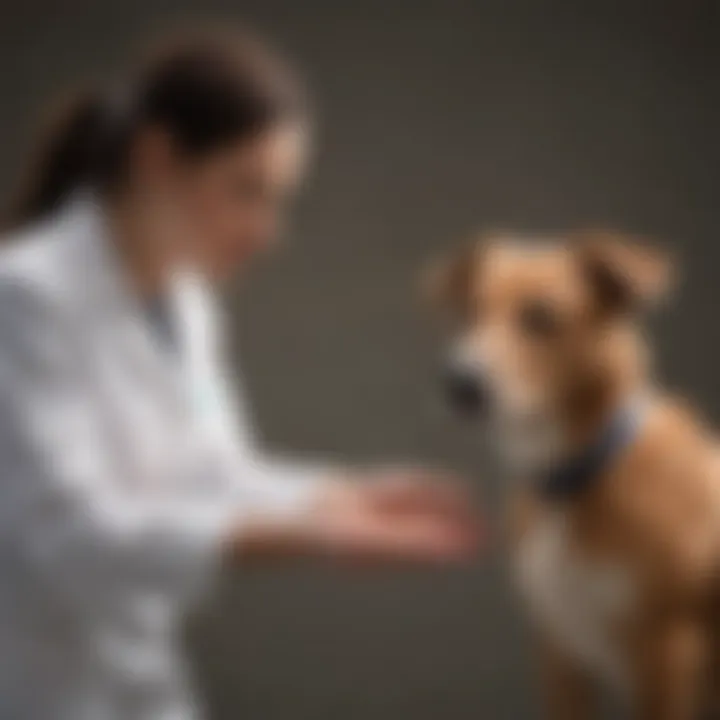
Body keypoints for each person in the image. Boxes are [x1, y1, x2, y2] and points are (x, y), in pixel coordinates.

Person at [0, 26, 479, 720]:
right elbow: (74, 539)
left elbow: (211, 475)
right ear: (157, 158)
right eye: (246, 190)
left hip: (138, 683)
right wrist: (313, 536)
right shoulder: (25, 299)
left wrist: (337, 495)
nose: (266, 231)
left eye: (278, 197)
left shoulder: (186, 306)